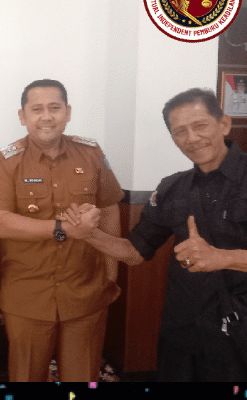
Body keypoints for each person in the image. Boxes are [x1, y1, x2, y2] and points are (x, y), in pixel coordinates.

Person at [74, 87, 247, 381]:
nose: (191, 138)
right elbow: (134, 252)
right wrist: (88, 234)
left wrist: (223, 258)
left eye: (200, 125)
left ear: (224, 124)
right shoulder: (172, 188)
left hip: (238, 337)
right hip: (182, 333)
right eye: (180, 132)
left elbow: (219, 258)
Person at [0, 79, 124, 382]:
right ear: (22, 116)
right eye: (37, 109)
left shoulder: (91, 153)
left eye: (54, 108)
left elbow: (110, 208)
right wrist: (62, 229)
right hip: (27, 296)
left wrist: (111, 272)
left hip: (86, 292)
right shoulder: (4, 160)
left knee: (82, 379)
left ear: (67, 112)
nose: (46, 117)